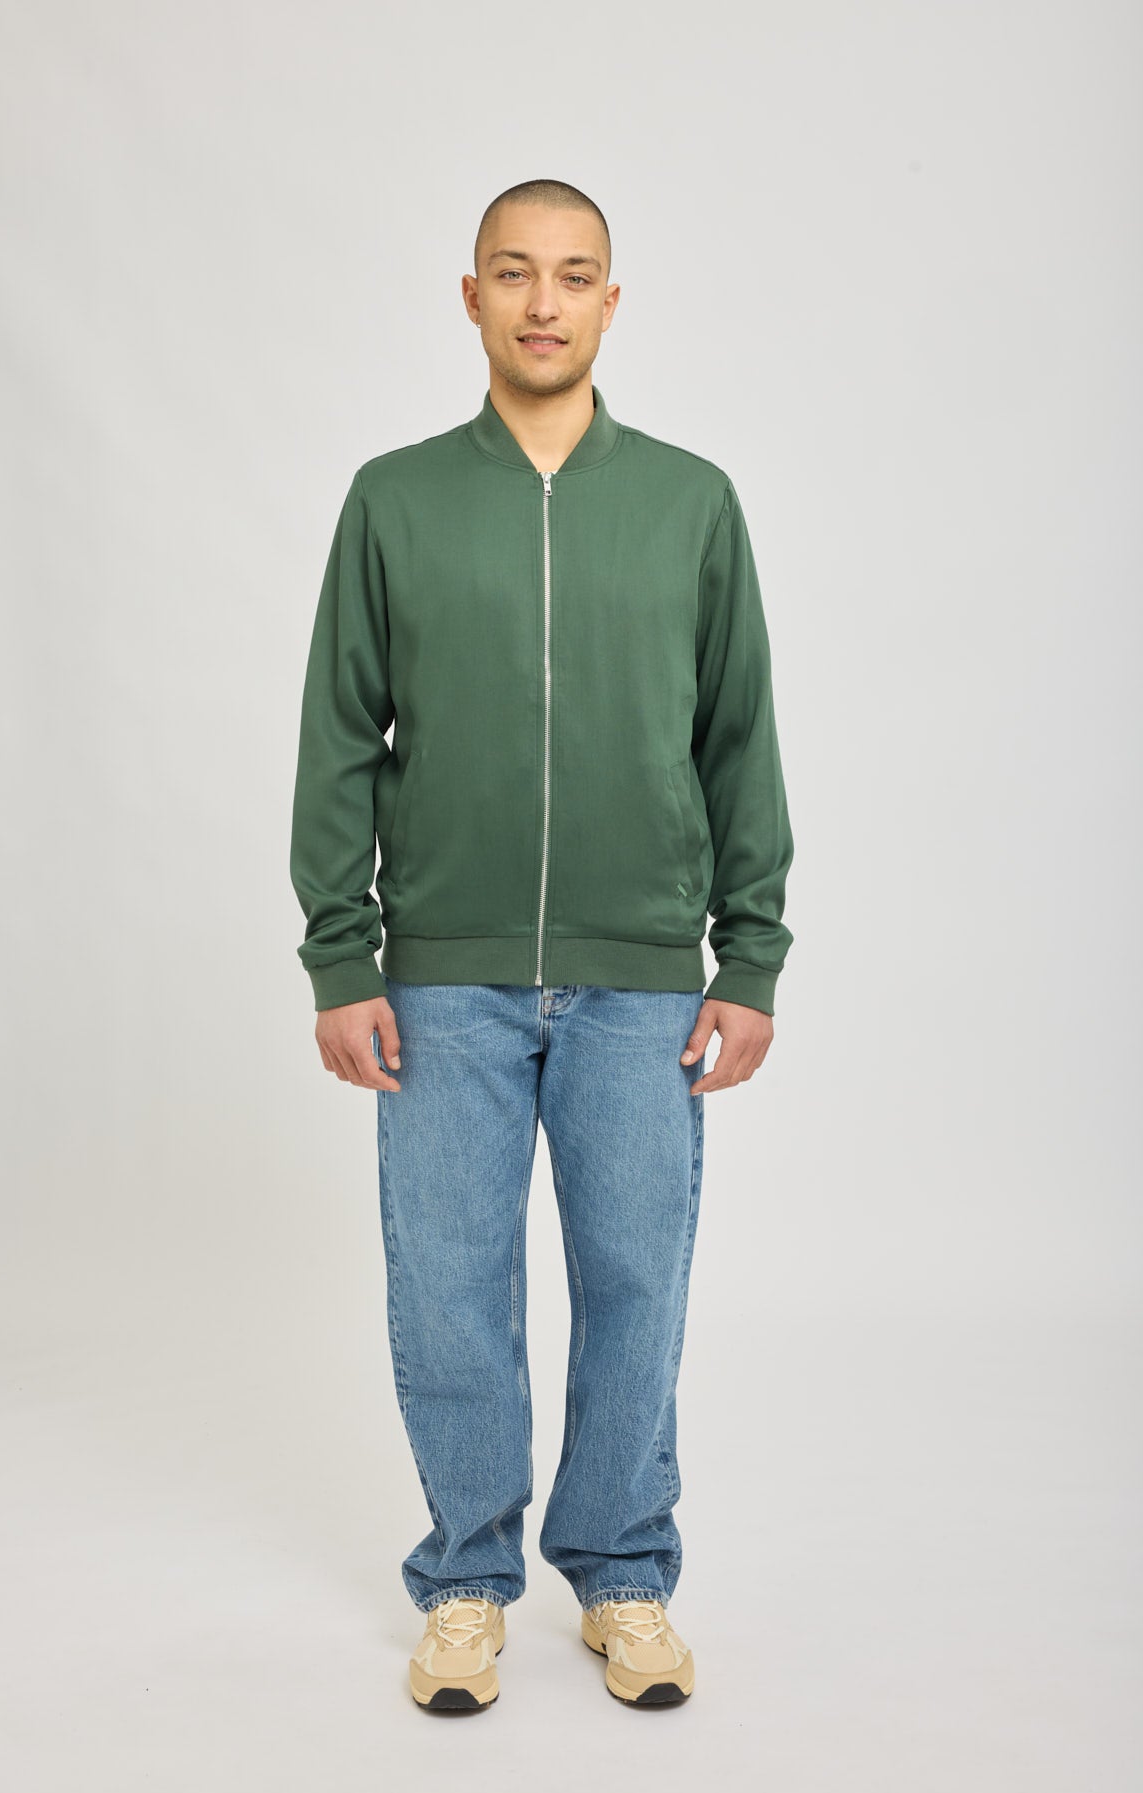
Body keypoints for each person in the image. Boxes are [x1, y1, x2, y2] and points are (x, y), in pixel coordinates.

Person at [289, 177, 795, 1712]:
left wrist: (750, 958)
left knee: (637, 1282)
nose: (544, 301)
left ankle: (625, 1576)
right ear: (472, 297)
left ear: (611, 303)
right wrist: (342, 958)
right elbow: (340, 739)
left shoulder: (692, 503)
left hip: (641, 979)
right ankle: (465, 1582)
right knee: (450, 1291)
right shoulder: (395, 500)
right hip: (441, 977)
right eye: (514, 273)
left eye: (574, 275)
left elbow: (737, 739)